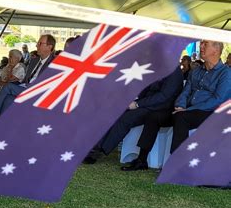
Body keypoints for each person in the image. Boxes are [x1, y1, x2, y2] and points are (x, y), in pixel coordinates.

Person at [124, 40, 231, 171]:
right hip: (185, 110)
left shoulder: (226, 73)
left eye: (205, 44)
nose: (201, 47)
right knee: (154, 116)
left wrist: (186, 110)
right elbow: (185, 92)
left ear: (216, 49)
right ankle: (141, 160)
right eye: (201, 43)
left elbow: (218, 99)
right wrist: (180, 106)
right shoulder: (196, 71)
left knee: (181, 118)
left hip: (209, 112)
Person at [84, 66, 184, 164]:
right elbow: (146, 88)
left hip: (160, 108)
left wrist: (138, 104)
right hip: (148, 102)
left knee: (126, 119)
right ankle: (94, 145)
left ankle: (99, 151)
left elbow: (163, 96)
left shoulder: (174, 71)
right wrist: (134, 99)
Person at [0, 34, 56, 133]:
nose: (36, 45)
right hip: (25, 88)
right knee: (8, 99)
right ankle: (2, 131)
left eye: (40, 43)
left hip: (39, 93)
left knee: (8, 87)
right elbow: (26, 79)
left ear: (49, 47)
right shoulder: (34, 61)